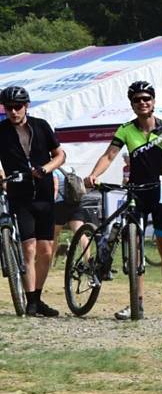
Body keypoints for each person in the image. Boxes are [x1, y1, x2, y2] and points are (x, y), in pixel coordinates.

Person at [84, 81, 162, 321]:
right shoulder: (125, 129)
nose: (142, 103)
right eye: (137, 100)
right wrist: (94, 174)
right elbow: (109, 155)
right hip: (136, 193)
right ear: (132, 104)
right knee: (136, 250)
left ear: (153, 101)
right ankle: (136, 303)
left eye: (146, 99)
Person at [0, 85, 65, 317]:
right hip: (20, 196)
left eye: (17, 107)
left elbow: (60, 155)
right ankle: (29, 301)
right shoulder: (1, 131)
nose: (13, 112)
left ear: (26, 106)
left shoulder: (41, 126)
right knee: (29, 247)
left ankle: (38, 297)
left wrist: (46, 169)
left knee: (46, 250)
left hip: (45, 195)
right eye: (8, 108)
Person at [52, 168, 90, 264]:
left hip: (60, 205)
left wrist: (51, 202)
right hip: (76, 203)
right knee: (80, 233)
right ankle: (88, 262)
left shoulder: (54, 171)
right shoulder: (69, 169)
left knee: (55, 234)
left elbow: (55, 187)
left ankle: (49, 262)